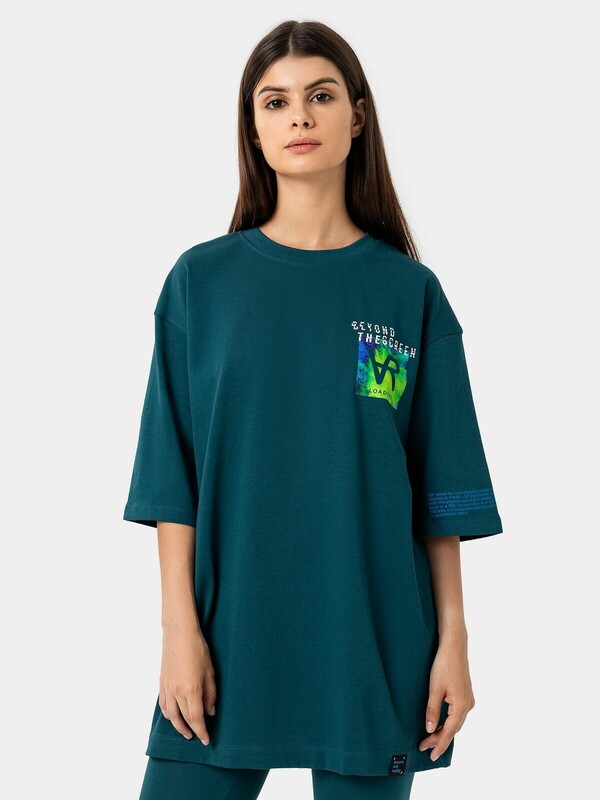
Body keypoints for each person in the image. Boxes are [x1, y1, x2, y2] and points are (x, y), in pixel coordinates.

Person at [123, 19, 503, 800]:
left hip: (371, 640)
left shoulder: (408, 293)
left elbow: (440, 489)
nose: (298, 116)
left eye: (320, 96)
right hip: (226, 636)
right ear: (253, 129)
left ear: (356, 117)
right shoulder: (200, 284)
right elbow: (171, 483)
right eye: (275, 101)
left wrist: (454, 641)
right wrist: (178, 633)